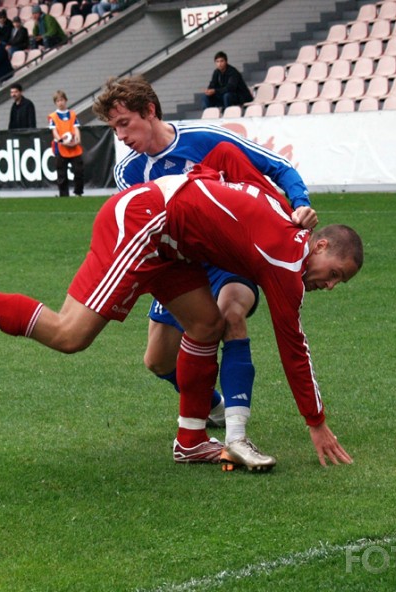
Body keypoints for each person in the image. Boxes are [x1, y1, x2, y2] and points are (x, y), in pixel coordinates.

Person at [0, 148, 362, 468]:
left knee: (205, 323)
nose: (331, 284)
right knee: (70, 334)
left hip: (171, 237)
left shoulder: (283, 212)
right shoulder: (287, 262)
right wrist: (316, 424)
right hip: (147, 222)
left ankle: (191, 440)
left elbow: (225, 162)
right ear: (319, 245)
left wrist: (201, 198)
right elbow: (293, 348)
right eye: (335, 272)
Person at [92, 75, 317, 470]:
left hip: (229, 258)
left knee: (231, 317)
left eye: (124, 123)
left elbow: (278, 167)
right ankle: (211, 405)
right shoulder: (128, 172)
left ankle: (237, 435)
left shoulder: (207, 139)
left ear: (150, 111)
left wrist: (299, 204)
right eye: (113, 128)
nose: (120, 136)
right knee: (158, 362)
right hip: (180, 267)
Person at [48, 90, 84, 197]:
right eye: (58, 101)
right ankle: (63, 195)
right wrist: (61, 141)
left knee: (79, 171)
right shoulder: (53, 116)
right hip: (61, 148)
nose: (60, 103)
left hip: (74, 147)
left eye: (62, 100)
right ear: (55, 103)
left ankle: (78, 192)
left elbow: (76, 128)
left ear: (66, 100)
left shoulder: (72, 114)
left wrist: (77, 139)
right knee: (62, 173)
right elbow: (54, 131)